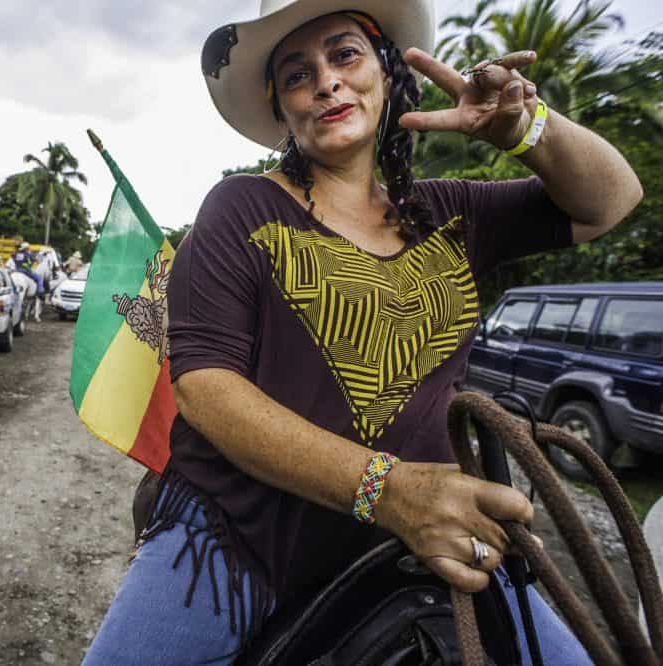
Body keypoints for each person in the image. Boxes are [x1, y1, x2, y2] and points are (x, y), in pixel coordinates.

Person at [83, 1, 642, 664]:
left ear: (384, 73)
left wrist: (529, 129)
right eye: (297, 75)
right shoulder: (240, 207)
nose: (324, 81)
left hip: (425, 530)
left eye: (343, 55)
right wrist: (391, 491)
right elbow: (206, 387)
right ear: (282, 111)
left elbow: (611, 201)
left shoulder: (450, 211)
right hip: (239, 535)